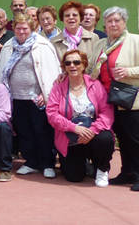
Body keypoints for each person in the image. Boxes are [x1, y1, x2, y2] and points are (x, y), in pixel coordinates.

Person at [0, 13, 61, 179]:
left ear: (32, 28)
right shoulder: (9, 46)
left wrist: (45, 95)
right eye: (18, 28)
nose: (21, 31)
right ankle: (31, 162)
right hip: (15, 97)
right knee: (24, 131)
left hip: (37, 98)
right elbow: (1, 71)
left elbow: (52, 73)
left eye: (25, 28)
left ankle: (47, 163)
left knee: (42, 131)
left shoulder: (42, 46)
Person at [46, 49, 114, 186]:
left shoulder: (95, 85)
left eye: (76, 62)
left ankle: (102, 169)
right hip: (70, 137)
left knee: (105, 138)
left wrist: (92, 131)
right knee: (74, 177)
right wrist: (74, 128)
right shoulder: (59, 86)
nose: (72, 66)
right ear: (64, 67)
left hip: (92, 135)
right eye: (68, 63)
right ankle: (83, 164)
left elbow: (107, 112)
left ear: (83, 65)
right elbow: (52, 113)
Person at [94, 6, 139, 191]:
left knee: (135, 140)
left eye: (117, 20)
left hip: (131, 100)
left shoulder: (135, 40)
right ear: (104, 24)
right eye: (110, 21)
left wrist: (129, 71)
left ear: (124, 22)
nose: (113, 24)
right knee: (122, 138)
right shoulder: (102, 44)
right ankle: (127, 172)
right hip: (109, 100)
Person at [50, 1, 101, 78]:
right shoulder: (54, 42)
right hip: (63, 85)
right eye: (67, 15)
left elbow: (96, 65)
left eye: (74, 15)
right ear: (62, 19)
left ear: (80, 18)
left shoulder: (93, 38)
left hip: (88, 83)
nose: (71, 17)